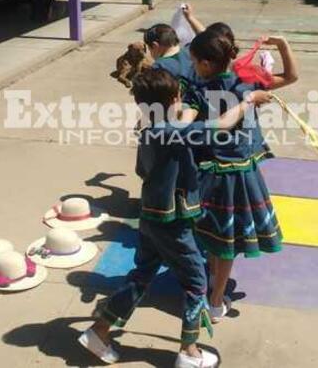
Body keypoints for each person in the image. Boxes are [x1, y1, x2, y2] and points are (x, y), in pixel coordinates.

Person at [78, 68, 271, 368]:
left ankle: (99, 331)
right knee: (196, 283)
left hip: (150, 218)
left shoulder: (148, 129)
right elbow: (222, 124)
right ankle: (189, 352)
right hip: (174, 223)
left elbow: (144, 170)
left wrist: (185, 114)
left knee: (141, 276)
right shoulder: (175, 133)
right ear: (173, 99)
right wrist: (248, 101)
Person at [184, 28, 299, 322]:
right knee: (224, 242)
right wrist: (283, 44)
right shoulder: (244, 84)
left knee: (214, 238)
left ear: (207, 64)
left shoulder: (200, 87)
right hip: (235, 174)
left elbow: (189, 121)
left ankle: (214, 292)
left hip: (211, 173)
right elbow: (291, 77)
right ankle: (216, 298)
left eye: (195, 60)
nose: (193, 66)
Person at [144, 23, 199, 92]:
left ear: (155, 46)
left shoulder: (159, 66)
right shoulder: (192, 49)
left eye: (149, 49)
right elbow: (205, 35)